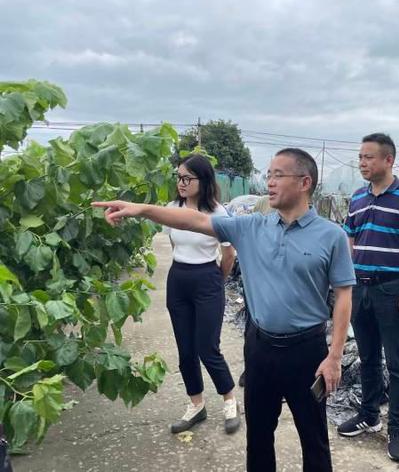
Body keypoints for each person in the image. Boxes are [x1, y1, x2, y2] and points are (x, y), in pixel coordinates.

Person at [93, 148, 355, 472]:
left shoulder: (332, 236)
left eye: (278, 175)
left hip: (308, 352)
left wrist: (334, 357)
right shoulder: (251, 227)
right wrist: (142, 210)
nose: (269, 182)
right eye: (268, 174)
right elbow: (195, 219)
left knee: (314, 440)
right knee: (258, 438)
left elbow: (344, 295)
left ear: (304, 182)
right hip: (260, 350)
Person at [337, 133, 399, 462]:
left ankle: (397, 429)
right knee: (368, 357)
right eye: (360, 157)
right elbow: (350, 239)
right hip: (360, 287)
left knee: (398, 362)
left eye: (369, 157)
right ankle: (369, 415)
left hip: (391, 288)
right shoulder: (358, 197)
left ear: (388, 160)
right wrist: (346, 282)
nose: (362, 163)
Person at [162, 154, 240, 434]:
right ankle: (196, 404)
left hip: (207, 278)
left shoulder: (217, 213)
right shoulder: (173, 208)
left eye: (187, 178)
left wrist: (216, 280)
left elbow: (228, 254)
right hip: (178, 279)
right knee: (186, 351)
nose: (181, 183)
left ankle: (229, 400)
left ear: (203, 180)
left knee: (207, 347)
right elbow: (174, 242)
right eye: (178, 177)